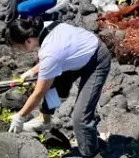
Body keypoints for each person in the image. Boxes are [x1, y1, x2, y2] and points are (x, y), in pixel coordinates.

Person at [7, 18, 111, 158]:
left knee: (80, 117)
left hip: (97, 59)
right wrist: (33, 71)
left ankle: (90, 153)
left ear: (28, 41)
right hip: (77, 53)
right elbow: (52, 58)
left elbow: (39, 93)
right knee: (52, 87)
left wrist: (20, 116)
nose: (19, 51)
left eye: (19, 48)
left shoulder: (50, 52)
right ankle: (45, 121)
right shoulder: (43, 27)